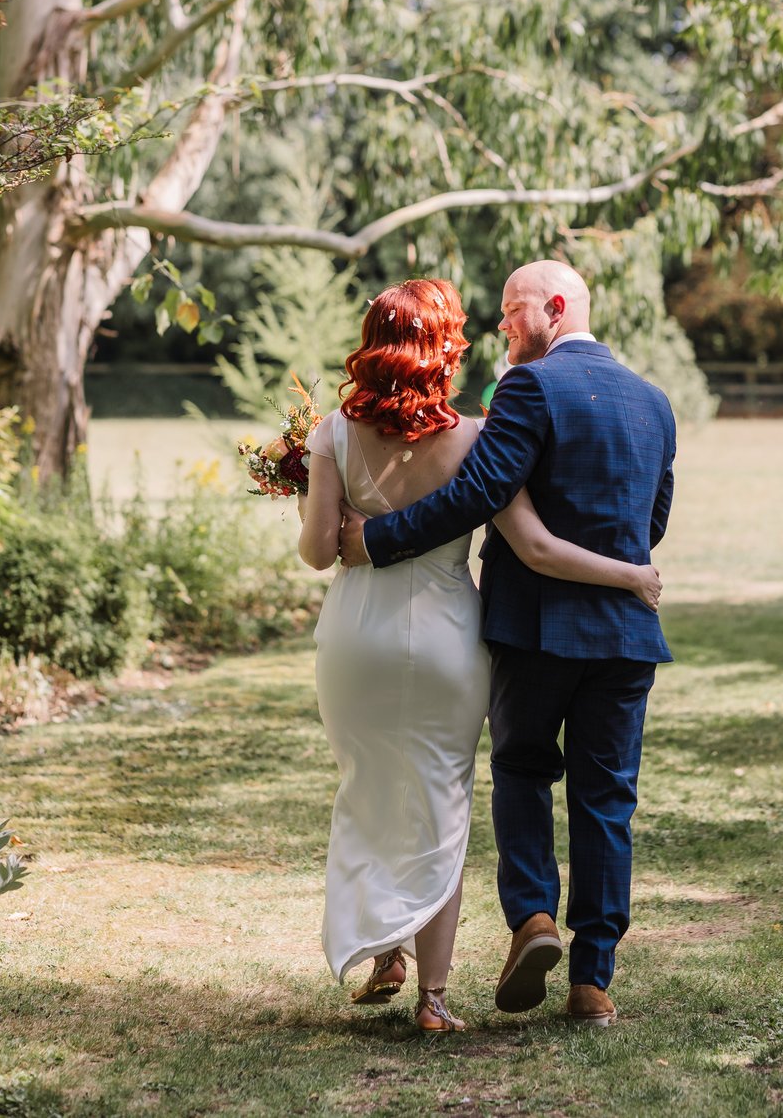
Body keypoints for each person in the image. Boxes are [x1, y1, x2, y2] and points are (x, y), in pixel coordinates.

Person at [298, 277, 663, 1034]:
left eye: (512, 311)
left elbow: (482, 500)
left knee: (512, 772)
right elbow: (648, 522)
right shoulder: (653, 402)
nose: (502, 326)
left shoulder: (527, 388)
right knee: (606, 802)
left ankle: (527, 916)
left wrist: (375, 540)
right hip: (621, 634)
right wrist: (627, 572)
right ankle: (591, 982)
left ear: (554, 311)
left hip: (523, 630)